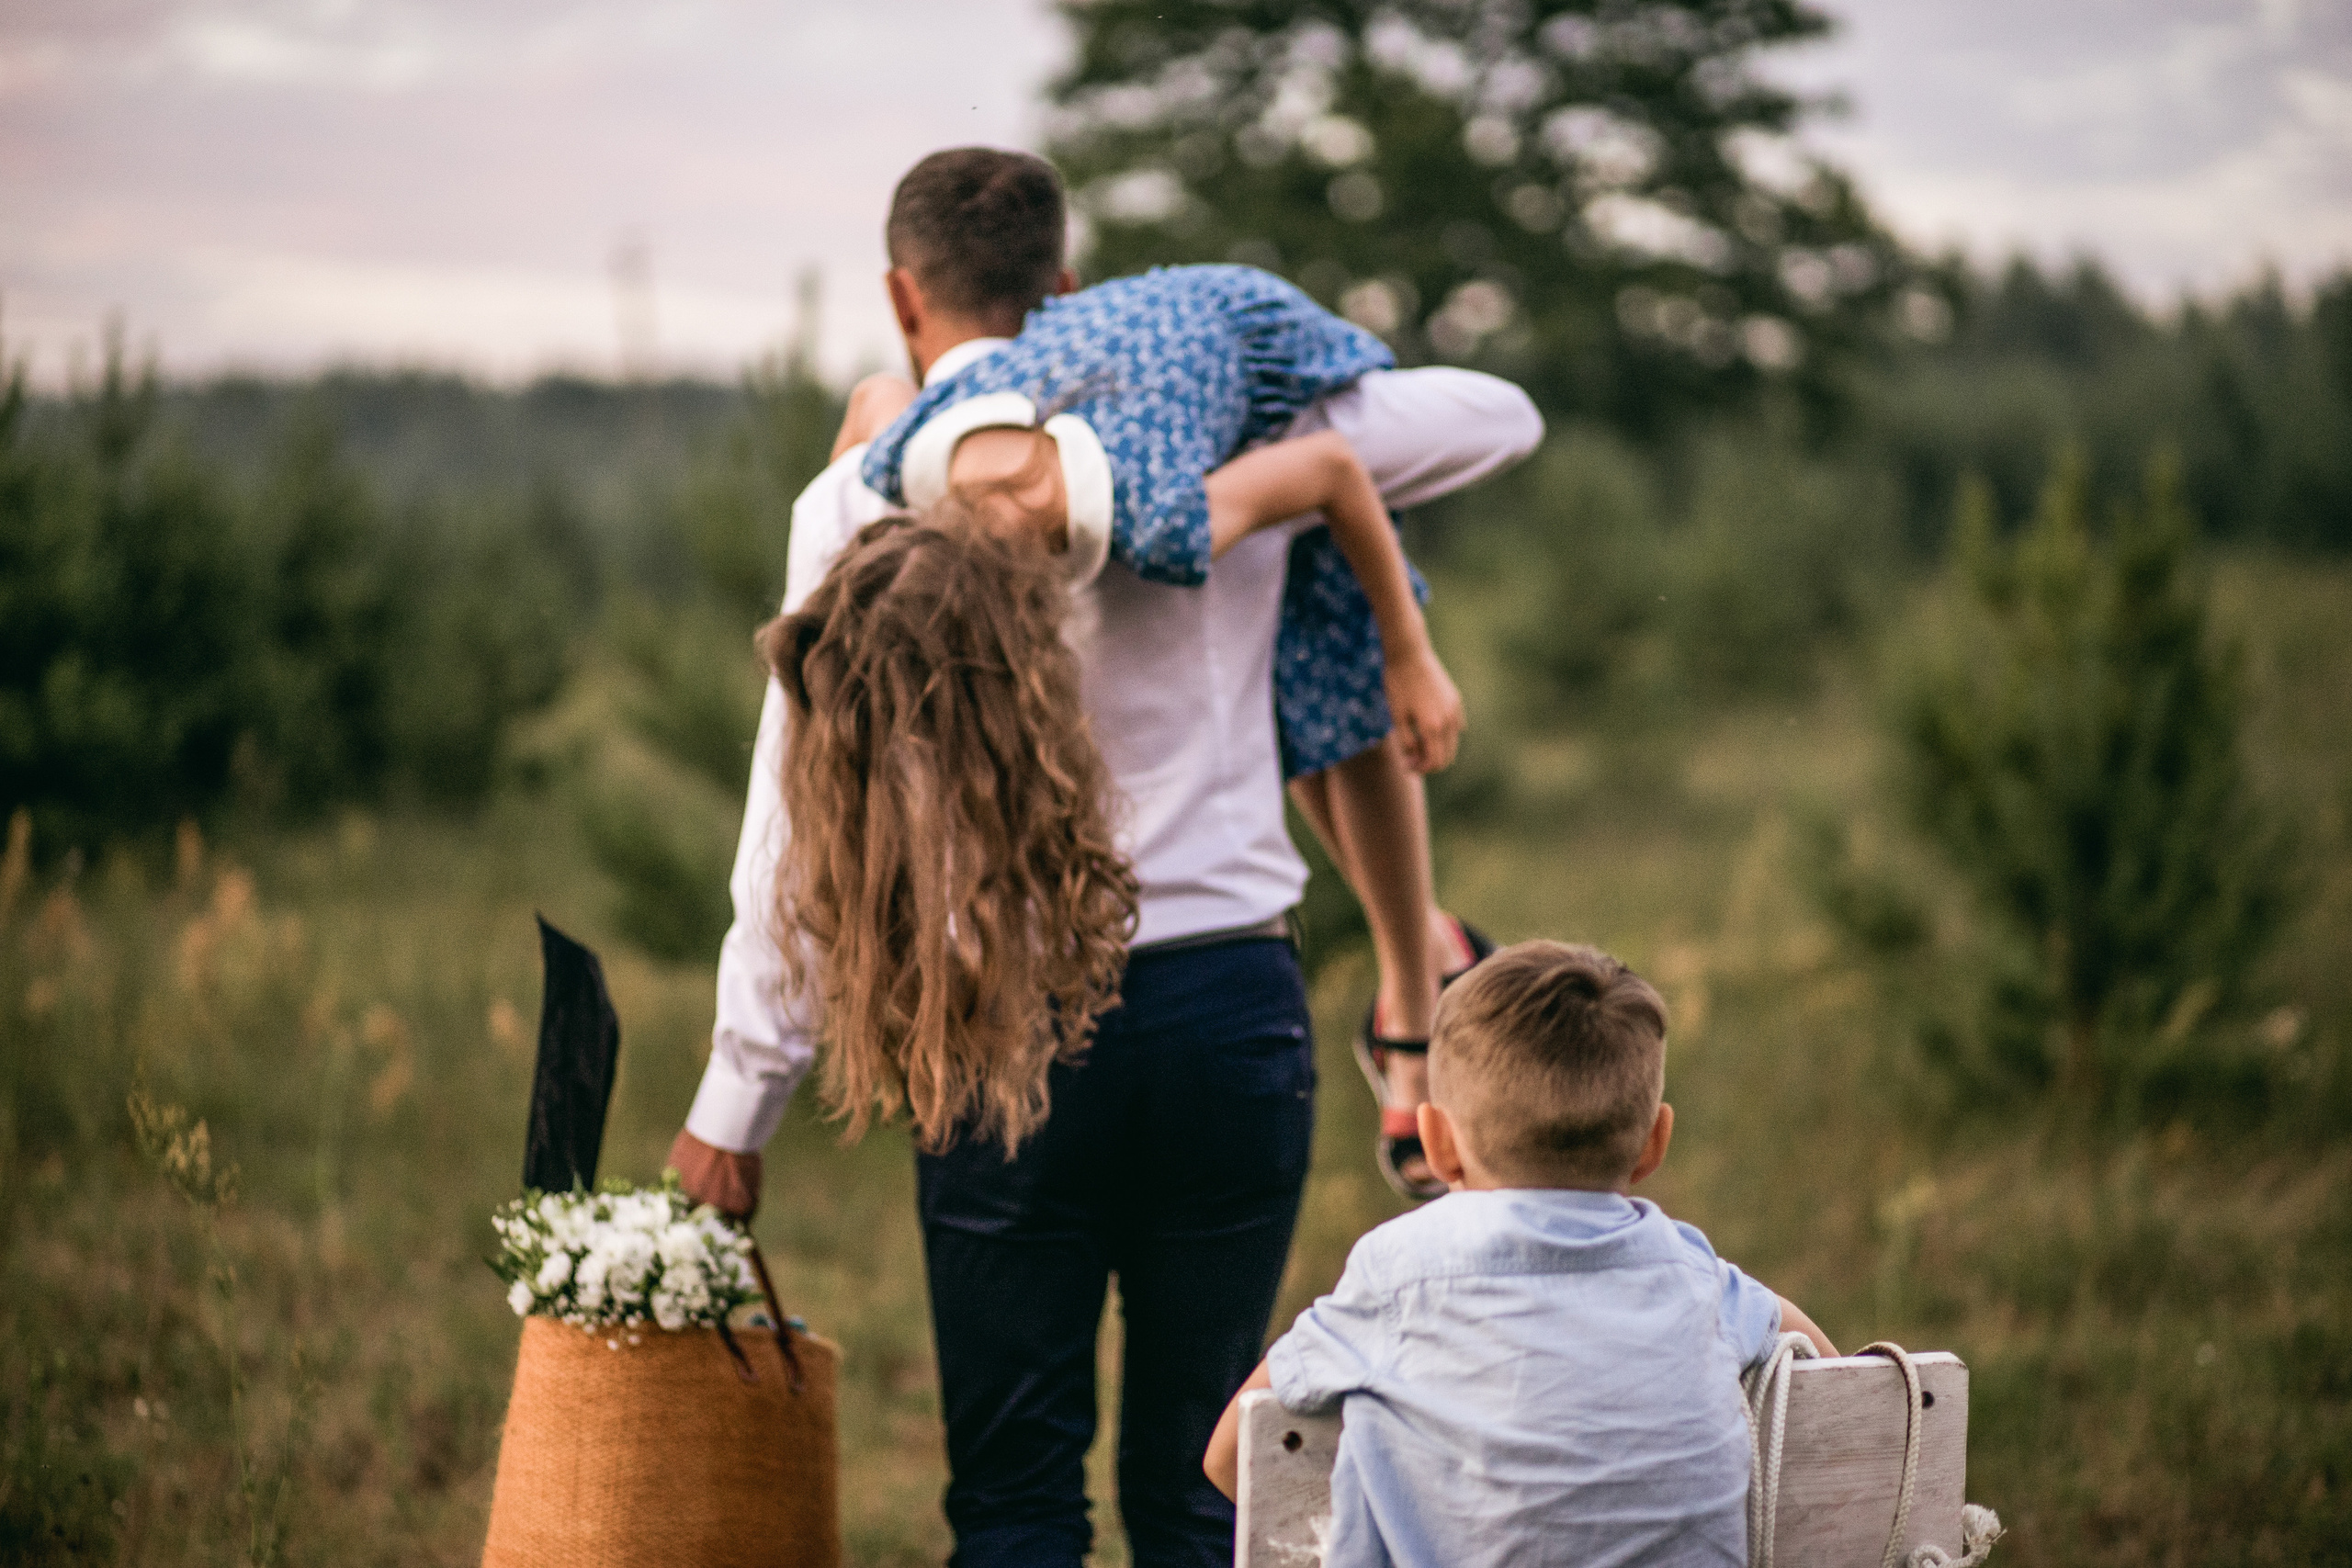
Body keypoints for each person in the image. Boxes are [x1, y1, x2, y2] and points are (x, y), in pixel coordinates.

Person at [670, 146, 1541, 1568]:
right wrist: (1252, 384)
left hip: (996, 1028)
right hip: (1226, 1016)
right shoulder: (1198, 441)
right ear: (1066, 286)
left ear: (904, 296)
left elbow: (791, 827)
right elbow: (1491, 417)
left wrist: (734, 1107)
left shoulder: (855, 502)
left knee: (1015, 1500)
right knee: (1208, 1493)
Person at [847, 259, 1507, 1198]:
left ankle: (1415, 992)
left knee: (1335, 603)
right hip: (1096, 352)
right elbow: (874, 399)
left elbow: (1329, 470)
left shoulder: (1157, 516)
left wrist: (1409, 653)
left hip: (1242, 324)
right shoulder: (902, 466)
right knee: (1296, 673)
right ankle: (1426, 953)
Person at [1204, 940, 1838, 1568]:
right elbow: (1842, 1385)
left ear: (1437, 1143)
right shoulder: (1697, 1277)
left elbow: (1231, 1456)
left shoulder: (1395, 1276)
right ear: (1653, 1143)